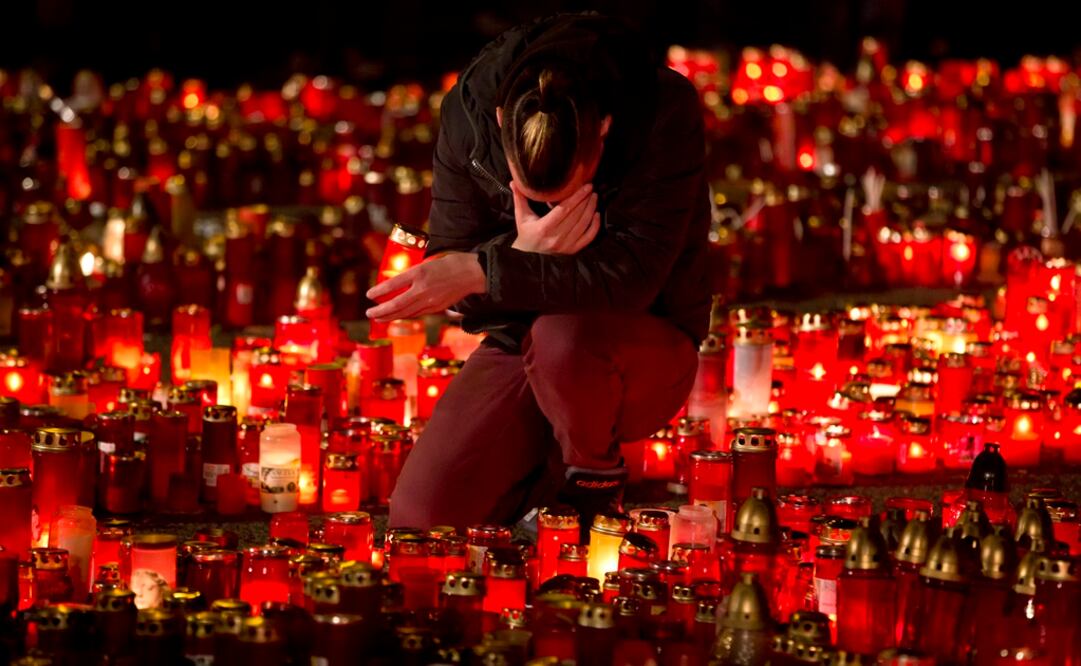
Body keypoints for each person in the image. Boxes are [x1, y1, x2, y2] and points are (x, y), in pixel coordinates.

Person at [366, 13, 711, 534]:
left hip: (632, 348)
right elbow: (459, 277)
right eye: (531, 196)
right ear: (503, 121)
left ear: (603, 127)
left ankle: (591, 479)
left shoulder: (662, 110)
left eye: (571, 193)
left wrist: (489, 269)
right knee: (422, 520)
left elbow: (634, 279)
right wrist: (522, 249)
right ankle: (540, 480)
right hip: (519, 341)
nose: (554, 210)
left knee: (562, 335)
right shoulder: (468, 114)